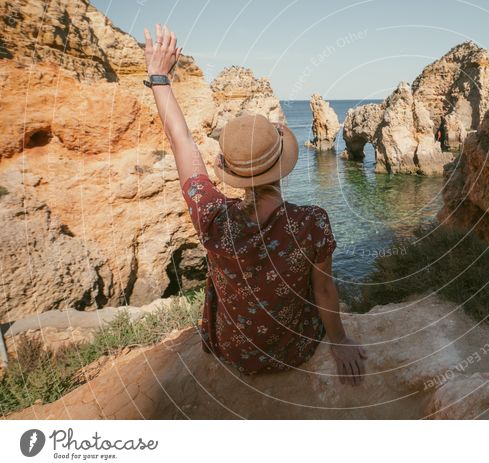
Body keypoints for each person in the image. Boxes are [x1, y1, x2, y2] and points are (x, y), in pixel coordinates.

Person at [143, 24, 367, 385]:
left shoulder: (210, 215)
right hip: (294, 348)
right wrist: (339, 341)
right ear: (283, 165)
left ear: (229, 170)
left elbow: (180, 140)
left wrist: (159, 76)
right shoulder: (312, 223)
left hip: (233, 350)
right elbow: (324, 290)